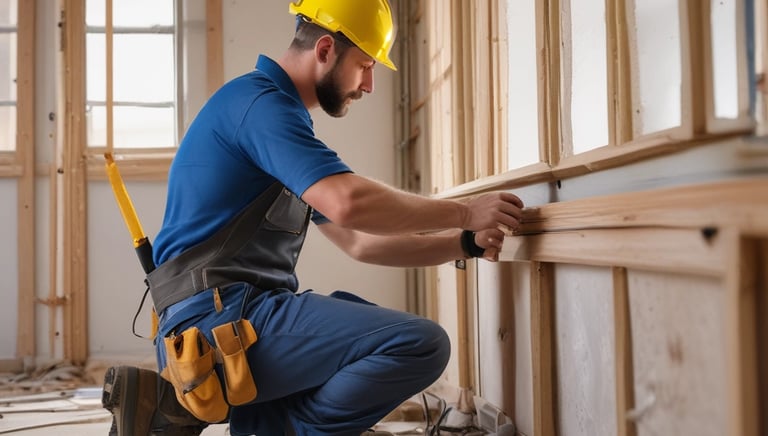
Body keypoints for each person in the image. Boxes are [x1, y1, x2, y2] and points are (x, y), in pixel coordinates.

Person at [101, 0, 524, 435]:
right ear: (325, 50)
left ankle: (238, 423)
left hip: (229, 319)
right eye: (364, 65)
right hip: (218, 323)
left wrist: (462, 242)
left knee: (354, 327)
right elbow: (349, 203)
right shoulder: (261, 107)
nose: (370, 84)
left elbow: (360, 241)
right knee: (420, 343)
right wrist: (465, 211)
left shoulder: (276, 121)